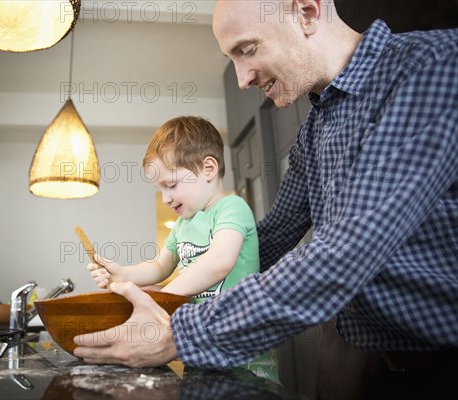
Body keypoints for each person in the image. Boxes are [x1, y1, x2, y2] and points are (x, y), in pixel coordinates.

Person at [74, 0, 458, 398]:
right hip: (359, 353)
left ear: (306, 12)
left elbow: (347, 251)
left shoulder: (430, 66)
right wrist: (164, 291)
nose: (242, 79)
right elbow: (267, 239)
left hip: (441, 364)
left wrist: (180, 331)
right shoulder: (315, 130)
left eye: (247, 49)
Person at [86, 116, 279, 382]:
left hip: (242, 348)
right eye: (160, 189)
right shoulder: (182, 224)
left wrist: (162, 298)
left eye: (172, 185)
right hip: (199, 342)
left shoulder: (232, 208)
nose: (165, 198)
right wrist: (123, 274)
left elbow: (220, 260)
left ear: (208, 168)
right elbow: (158, 266)